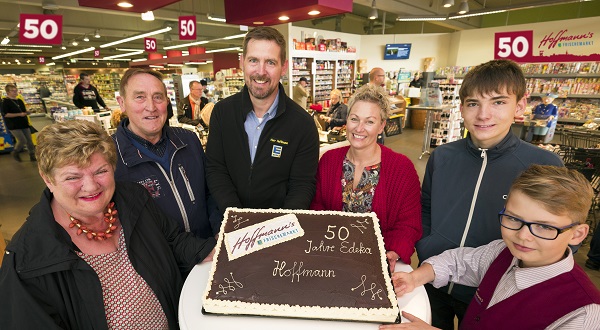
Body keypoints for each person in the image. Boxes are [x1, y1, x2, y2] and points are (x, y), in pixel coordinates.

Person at [0, 120, 216, 329]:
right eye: (73, 177)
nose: (91, 186)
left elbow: (172, 240)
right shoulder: (26, 261)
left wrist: (212, 250)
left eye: (100, 171)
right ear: (47, 179)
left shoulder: (133, 198)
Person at [416, 59, 564, 329]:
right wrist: (427, 245)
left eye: (498, 102)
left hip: (496, 294)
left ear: (519, 105)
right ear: (461, 108)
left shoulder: (544, 166)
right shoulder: (443, 157)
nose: (483, 115)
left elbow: (560, 234)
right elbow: (426, 206)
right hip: (433, 280)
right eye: (473, 103)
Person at [383, 165, 600, 330]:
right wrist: (415, 278)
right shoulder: (501, 253)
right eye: (513, 219)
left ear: (577, 234)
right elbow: (458, 262)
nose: (523, 236)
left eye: (543, 226)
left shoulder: (583, 313)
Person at [311, 84, 422, 273]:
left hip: (378, 263)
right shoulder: (329, 160)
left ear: (382, 126)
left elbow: (409, 223)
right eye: (354, 119)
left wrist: (393, 251)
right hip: (330, 259)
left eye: (369, 122)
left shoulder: (402, 168)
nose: (359, 128)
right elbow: (317, 207)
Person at [206, 26, 319, 211]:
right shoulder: (222, 113)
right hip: (229, 220)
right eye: (253, 60)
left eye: (270, 63)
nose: (261, 71)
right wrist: (235, 217)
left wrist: (281, 228)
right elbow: (215, 169)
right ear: (242, 62)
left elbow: (302, 185)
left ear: (283, 67)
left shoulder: (303, 124)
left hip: (279, 230)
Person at [113, 68, 221, 239]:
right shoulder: (110, 157)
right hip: (162, 262)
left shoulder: (189, 141)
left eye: (158, 97)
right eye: (140, 97)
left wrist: (218, 229)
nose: (151, 107)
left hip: (208, 251)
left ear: (167, 101)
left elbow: (211, 191)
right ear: (122, 103)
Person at [1, 83, 35, 162]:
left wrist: (27, 112)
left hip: (24, 123)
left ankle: (32, 155)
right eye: (13, 91)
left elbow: (22, 111)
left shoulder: (19, 100)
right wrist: (20, 114)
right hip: (13, 125)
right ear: (8, 92)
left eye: (16, 90)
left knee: (29, 140)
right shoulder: (5, 102)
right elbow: (6, 114)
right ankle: (15, 152)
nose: (15, 92)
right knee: (22, 140)